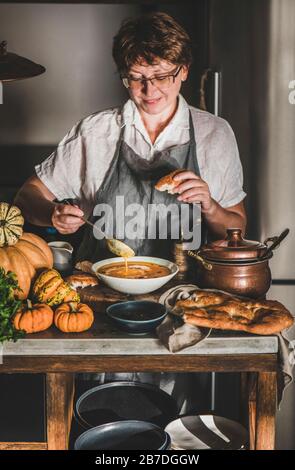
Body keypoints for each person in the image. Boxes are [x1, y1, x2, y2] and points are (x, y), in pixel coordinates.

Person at [15, 12, 247, 413]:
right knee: (97, 417)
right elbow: (27, 196)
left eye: (161, 75)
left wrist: (209, 204)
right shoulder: (95, 133)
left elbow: (238, 227)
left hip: (184, 312)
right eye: (136, 77)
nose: (149, 88)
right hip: (100, 312)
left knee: (176, 426)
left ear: (184, 71)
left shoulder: (214, 134)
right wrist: (53, 213)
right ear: (124, 75)